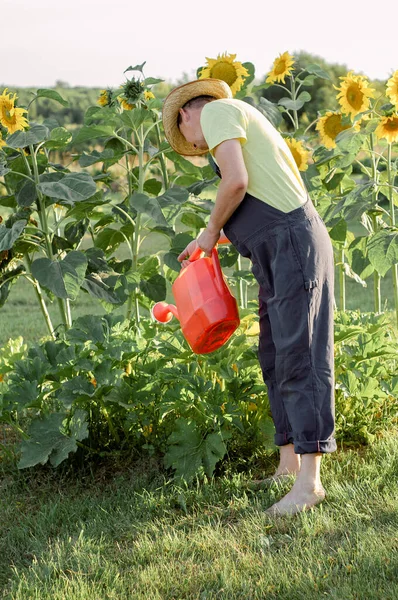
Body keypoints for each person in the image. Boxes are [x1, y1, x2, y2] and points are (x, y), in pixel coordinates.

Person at [162, 78, 336, 516]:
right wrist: (215, 239)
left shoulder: (219, 110)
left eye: (191, 143)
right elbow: (257, 191)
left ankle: (309, 484)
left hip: (293, 244)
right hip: (280, 247)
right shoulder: (235, 118)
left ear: (186, 115)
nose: (199, 149)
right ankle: (287, 464)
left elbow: (236, 181)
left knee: (301, 355)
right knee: (276, 354)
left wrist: (210, 229)